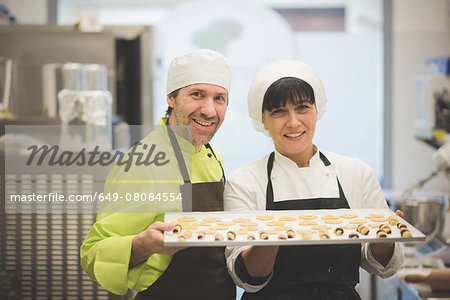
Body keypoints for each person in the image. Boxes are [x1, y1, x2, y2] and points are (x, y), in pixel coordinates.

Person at [224, 60, 404, 299]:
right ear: (263, 120)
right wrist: (270, 238)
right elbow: (246, 277)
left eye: (302, 108)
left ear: (317, 111)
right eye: (279, 112)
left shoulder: (356, 173)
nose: (293, 122)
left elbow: (382, 266)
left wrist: (385, 237)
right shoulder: (244, 181)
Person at [80, 49, 236, 300]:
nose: (209, 110)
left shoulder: (214, 156)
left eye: (220, 98)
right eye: (197, 95)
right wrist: (142, 245)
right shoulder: (141, 163)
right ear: (171, 98)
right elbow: (92, 253)